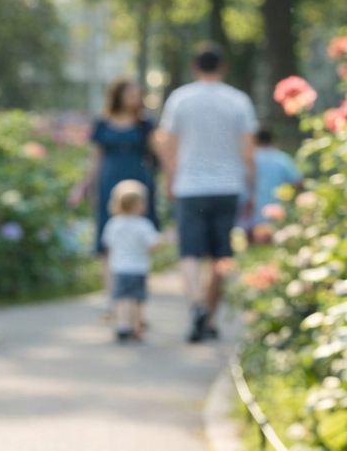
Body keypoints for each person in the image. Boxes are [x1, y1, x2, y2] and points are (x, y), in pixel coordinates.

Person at [156, 41, 258, 343]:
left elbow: (168, 143)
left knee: (189, 252)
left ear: (194, 66)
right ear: (223, 67)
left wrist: (168, 178)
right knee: (221, 255)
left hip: (189, 186)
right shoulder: (238, 101)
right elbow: (248, 151)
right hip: (227, 186)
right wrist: (251, 185)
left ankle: (197, 304)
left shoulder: (180, 99)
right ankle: (209, 317)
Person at [78, 78, 157, 306]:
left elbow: (157, 153)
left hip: (139, 182)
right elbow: (95, 157)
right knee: (108, 240)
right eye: (131, 93)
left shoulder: (144, 124)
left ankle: (135, 300)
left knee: (139, 235)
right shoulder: (102, 122)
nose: (136, 98)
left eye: (138, 94)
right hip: (109, 182)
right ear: (118, 95)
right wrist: (91, 185)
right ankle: (113, 297)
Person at [100, 180, 161, 342]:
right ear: (139, 204)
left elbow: (107, 243)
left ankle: (122, 325)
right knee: (137, 299)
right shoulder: (143, 225)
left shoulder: (114, 224)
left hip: (120, 267)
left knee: (120, 297)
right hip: (139, 268)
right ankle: (137, 326)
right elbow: (153, 243)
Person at [245, 127, 302, 240]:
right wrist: (287, 194)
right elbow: (298, 182)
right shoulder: (282, 158)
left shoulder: (250, 159)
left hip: (252, 214)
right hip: (277, 213)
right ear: (273, 140)